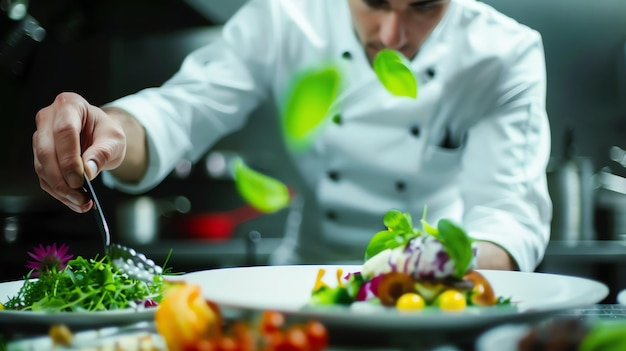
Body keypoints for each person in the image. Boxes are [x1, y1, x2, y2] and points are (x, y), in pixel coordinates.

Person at [32, 0, 552, 272]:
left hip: (437, 295)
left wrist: (445, 267)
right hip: (305, 283)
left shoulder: (503, 52)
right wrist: (110, 131)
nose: (391, 38)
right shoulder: (287, 16)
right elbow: (181, 111)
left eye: (424, 7)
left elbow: (509, 216)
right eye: (373, 1)